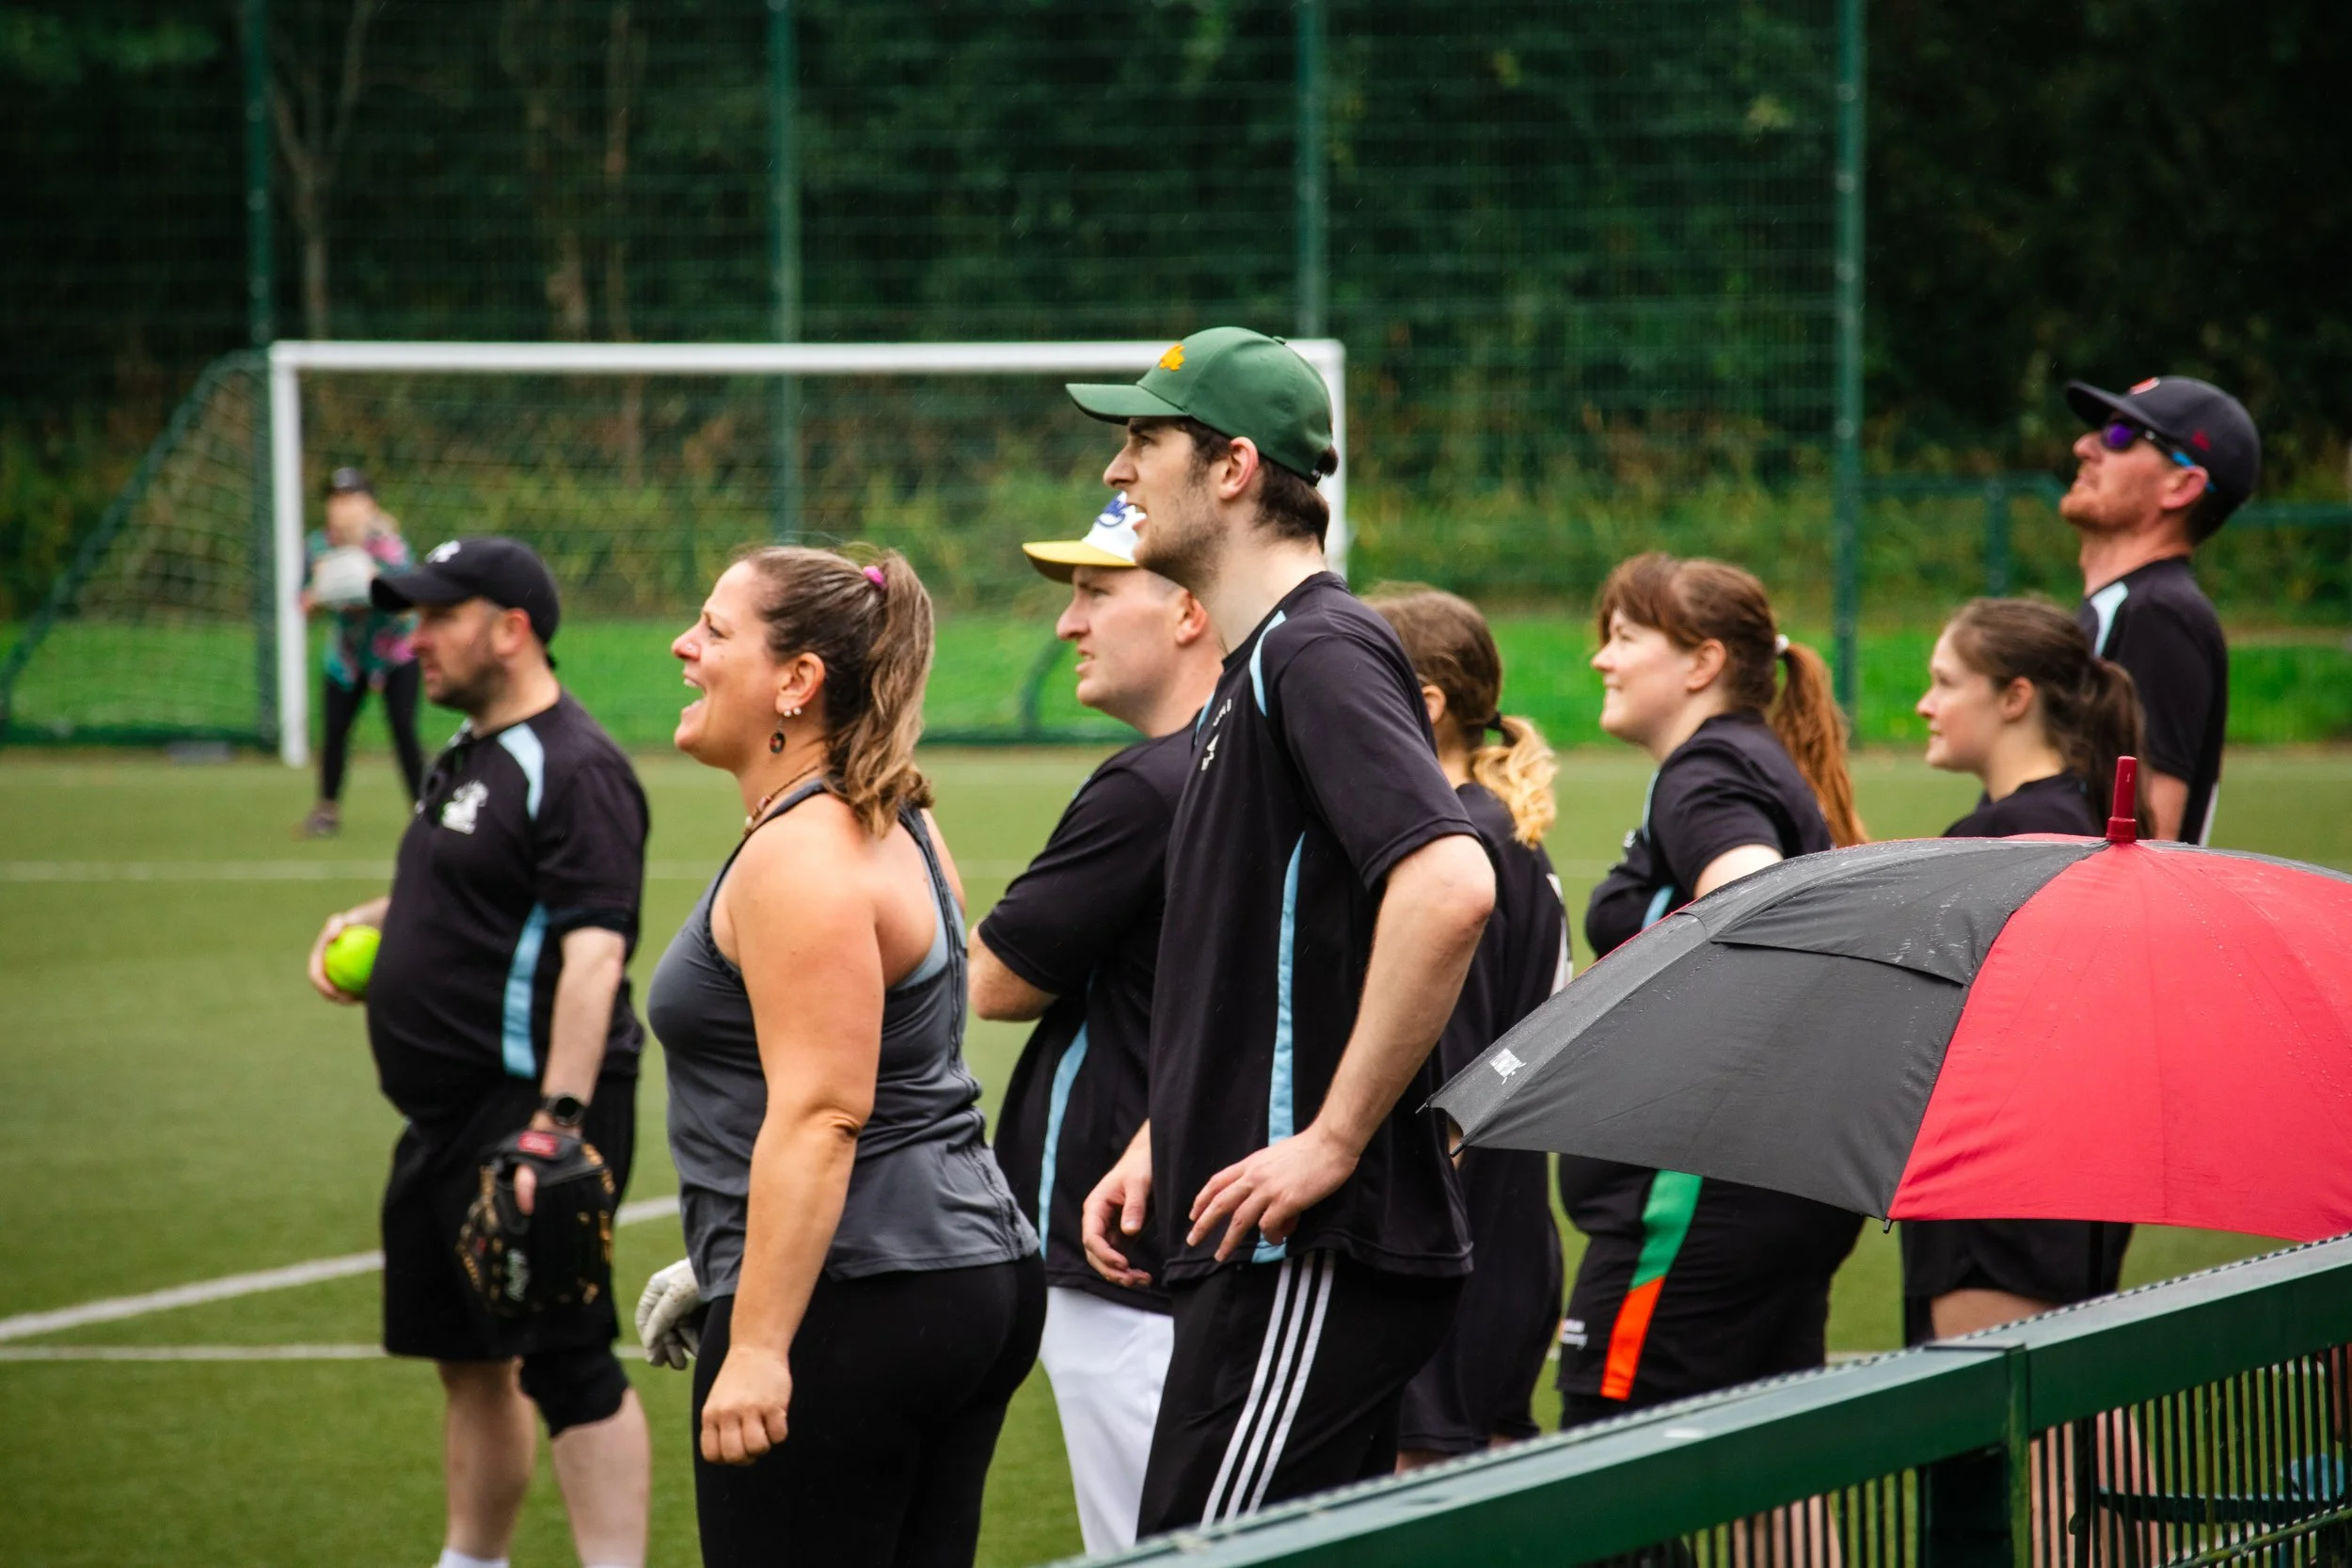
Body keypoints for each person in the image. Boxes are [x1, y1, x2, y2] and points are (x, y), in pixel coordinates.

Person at [1069, 326, 1498, 1532]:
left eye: (1142, 441)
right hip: (1260, 1235)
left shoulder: (1313, 646)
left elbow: (1450, 882)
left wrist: (1332, 1137)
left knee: (1197, 1555)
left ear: (1234, 467)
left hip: (1307, 1247)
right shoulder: (1262, 664)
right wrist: (1168, 1128)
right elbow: (1274, 951)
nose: (1116, 472)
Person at [644, 545, 1042, 1568]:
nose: (685, 648)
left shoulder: (801, 851)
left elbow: (826, 1110)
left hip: (861, 1294)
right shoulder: (896, 813)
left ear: (798, 679)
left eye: (715, 630)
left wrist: (763, 1337)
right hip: (955, 1275)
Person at [302, 536, 651, 1568]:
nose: (414, 640)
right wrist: (378, 923)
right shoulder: (466, 751)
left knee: (565, 1363)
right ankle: (473, 1559)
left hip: (531, 1109)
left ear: (512, 628)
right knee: (466, 1355)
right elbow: (466, 891)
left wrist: (559, 1126)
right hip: (442, 1119)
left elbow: (594, 952)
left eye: (438, 617)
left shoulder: (576, 766)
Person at [1559, 551, 1865, 1427]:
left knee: (1608, 1463)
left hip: (1698, 1190)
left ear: (1702, 664)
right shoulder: (1746, 758)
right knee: (1778, 1490)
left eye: (1623, 637)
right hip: (1777, 1181)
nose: (1601, 659)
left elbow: (1758, 905)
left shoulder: (1705, 771)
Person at [971, 493, 1222, 1553]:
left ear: (1188, 612)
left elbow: (991, 980)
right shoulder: (1251, 753)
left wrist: (904, 816)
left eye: (1094, 592)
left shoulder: (1151, 783)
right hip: (1208, 1230)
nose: (1068, 622)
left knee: (1147, 1541)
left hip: (1118, 1246)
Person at [1364, 586, 1569, 1471]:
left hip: (1454, 1247)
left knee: (1431, 1496)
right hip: (1509, 1230)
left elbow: (1453, 1090)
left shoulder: (1457, 848)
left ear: (1426, 703)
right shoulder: (1503, 832)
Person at [1903, 596, 2141, 1341]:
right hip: (2077, 1181)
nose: (1923, 704)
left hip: (1994, 1193)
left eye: (1945, 682)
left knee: (2022, 1437)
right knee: (2072, 1420)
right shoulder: (2082, 817)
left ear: (2015, 697)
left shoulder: (2002, 839)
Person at [2058, 375, 2259, 844]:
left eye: (2122, 435)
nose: (2084, 446)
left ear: (2181, 486)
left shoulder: (2159, 614)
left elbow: (2145, 841)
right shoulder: (2124, 606)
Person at [297, 467, 425, 836]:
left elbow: (408, 600)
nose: (343, 508)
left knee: (403, 730)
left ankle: (423, 810)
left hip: (395, 651)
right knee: (335, 732)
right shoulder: (319, 546)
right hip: (347, 657)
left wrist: (372, 588)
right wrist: (323, 595)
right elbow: (304, 602)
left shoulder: (389, 545)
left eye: (351, 499)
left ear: (369, 504)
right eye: (336, 500)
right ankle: (326, 811)